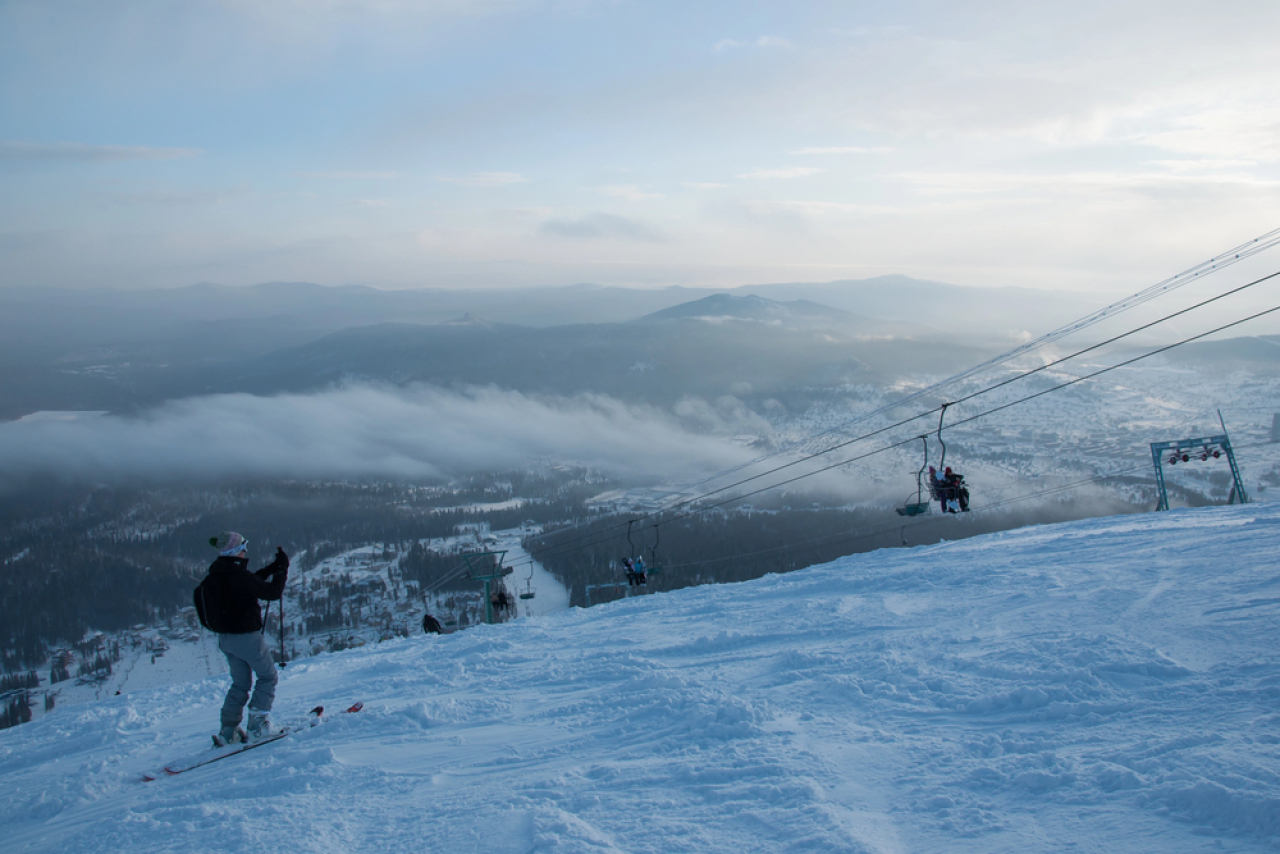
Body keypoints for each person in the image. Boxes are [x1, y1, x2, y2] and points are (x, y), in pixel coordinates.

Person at [193, 532, 288, 746]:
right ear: (237, 550)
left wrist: (273, 568)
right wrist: (282, 572)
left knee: (240, 683)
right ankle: (258, 725)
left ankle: (228, 731)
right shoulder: (239, 576)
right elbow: (272, 592)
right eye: (244, 545)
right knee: (268, 677)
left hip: (226, 640)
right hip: (247, 638)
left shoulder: (216, 576)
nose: (246, 549)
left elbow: (250, 583)